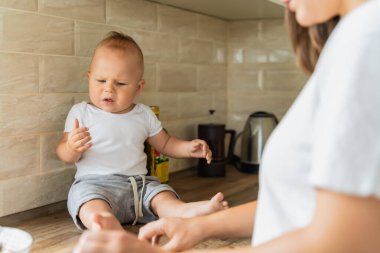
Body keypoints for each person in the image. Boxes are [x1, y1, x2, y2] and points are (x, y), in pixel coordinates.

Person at [73, 0, 380, 252]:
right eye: (101, 80)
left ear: (139, 86)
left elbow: (349, 239)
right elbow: (300, 206)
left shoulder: (366, 38)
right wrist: (201, 226)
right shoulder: (355, 38)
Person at [56, 31, 229, 231]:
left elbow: (165, 143)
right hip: (96, 185)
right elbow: (64, 154)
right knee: (86, 200)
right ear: (89, 78)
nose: (108, 89)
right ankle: (106, 226)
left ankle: (184, 212)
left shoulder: (144, 114)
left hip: (139, 186)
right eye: (101, 81)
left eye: (120, 83)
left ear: (138, 88)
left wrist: (188, 148)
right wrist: (71, 147)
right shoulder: (81, 112)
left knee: (162, 194)